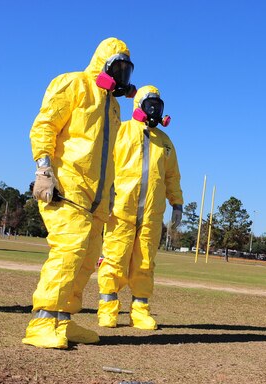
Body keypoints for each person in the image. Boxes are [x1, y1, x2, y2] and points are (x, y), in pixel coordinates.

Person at [23, 38, 134, 349]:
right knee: (68, 251)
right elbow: (44, 126)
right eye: (119, 68)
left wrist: (108, 196)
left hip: (96, 197)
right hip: (67, 186)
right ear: (104, 64)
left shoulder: (113, 105)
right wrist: (44, 170)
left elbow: (106, 155)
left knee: (85, 259)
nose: (123, 76)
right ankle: (42, 322)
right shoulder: (73, 83)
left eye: (128, 70)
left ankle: (63, 320)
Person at [97, 85, 183, 330]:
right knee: (114, 259)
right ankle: (108, 309)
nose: (155, 108)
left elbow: (172, 178)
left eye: (158, 104)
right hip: (120, 209)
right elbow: (105, 164)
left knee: (145, 262)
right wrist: (106, 194)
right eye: (150, 103)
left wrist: (176, 204)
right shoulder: (121, 131)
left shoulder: (165, 143)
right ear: (139, 105)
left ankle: (140, 310)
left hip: (151, 214)